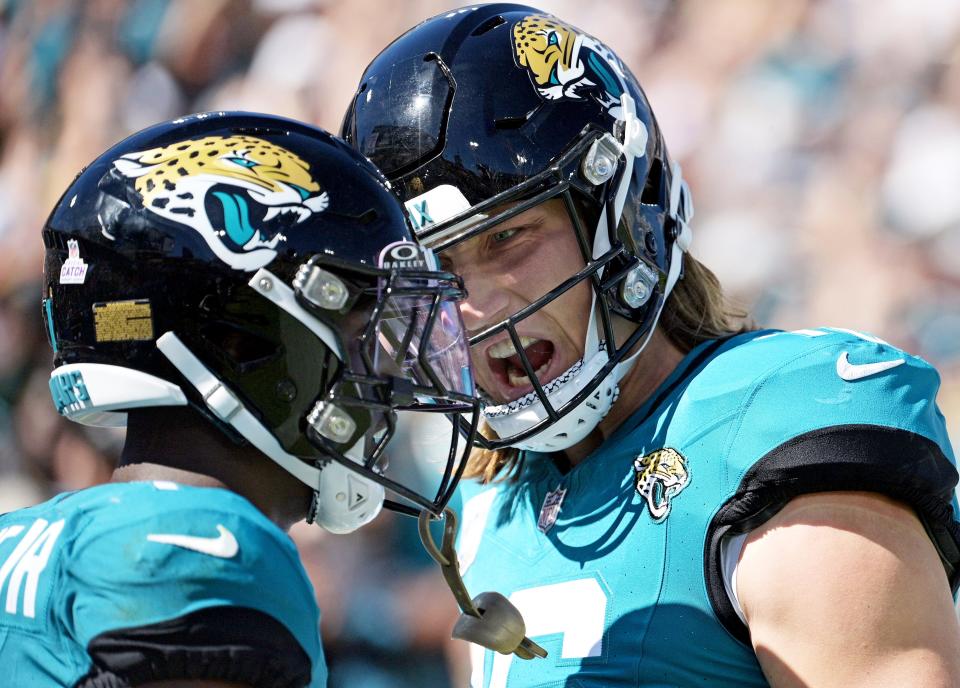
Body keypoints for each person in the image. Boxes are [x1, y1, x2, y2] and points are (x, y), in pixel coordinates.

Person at [341, 4, 960, 686]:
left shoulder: (775, 426)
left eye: (507, 238)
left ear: (625, 213)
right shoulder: (491, 506)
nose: (477, 307)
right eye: (439, 272)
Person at [0, 111, 478, 687]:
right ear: (242, 340)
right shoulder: (206, 547)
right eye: (359, 329)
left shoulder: (25, 534)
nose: (391, 367)